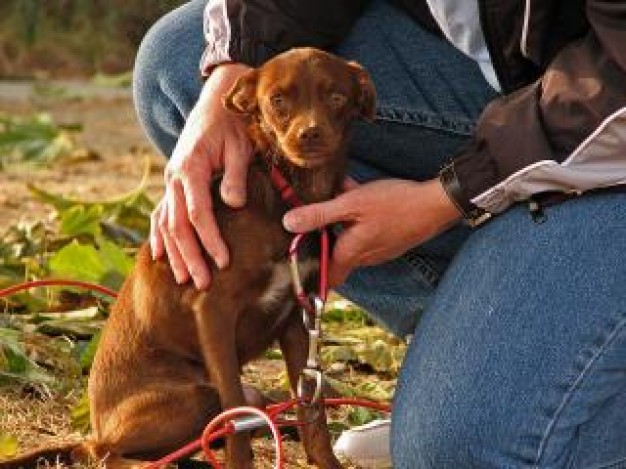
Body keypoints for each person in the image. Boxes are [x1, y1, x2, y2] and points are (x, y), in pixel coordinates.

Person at [132, 0, 626, 466]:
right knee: (181, 62)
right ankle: (467, 332)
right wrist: (232, 71)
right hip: (517, 78)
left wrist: (447, 195)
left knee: (460, 451)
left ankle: (528, 369)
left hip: (611, 118)